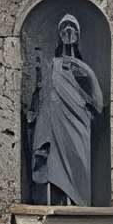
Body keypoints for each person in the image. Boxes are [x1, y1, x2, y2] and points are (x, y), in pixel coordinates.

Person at [24, 14, 102, 206]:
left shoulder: (84, 68)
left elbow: (98, 103)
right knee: (53, 163)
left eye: (72, 28)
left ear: (77, 35)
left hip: (78, 121)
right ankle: (55, 200)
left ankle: (77, 202)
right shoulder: (51, 65)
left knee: (77, 162)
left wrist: (86, 76)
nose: (68, 32)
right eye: (64, 28)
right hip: (54, 118)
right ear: (59, 34)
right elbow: (39, 94)